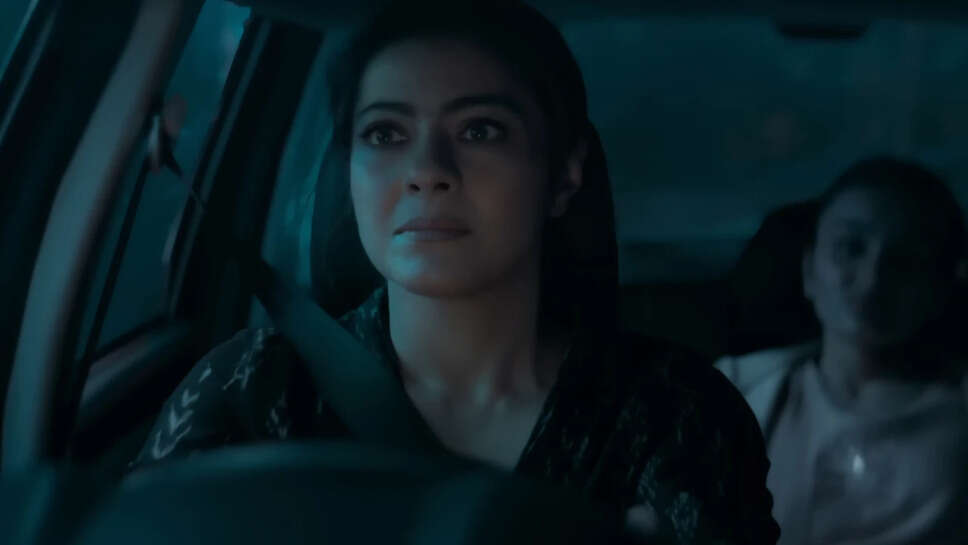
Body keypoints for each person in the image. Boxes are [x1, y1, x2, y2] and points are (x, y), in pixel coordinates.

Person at [131, 1, 779, 543]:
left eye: (480, 130)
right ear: (349, 172)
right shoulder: (253, 390)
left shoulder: (676, 417)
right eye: (385, 134)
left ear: (564, 175)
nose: (427, 170)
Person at [717, 157, 968, 545]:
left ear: (940, 287)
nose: (872, 280)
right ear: (809, 270)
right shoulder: (734, 390)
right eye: (850, 248)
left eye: (905, 260)